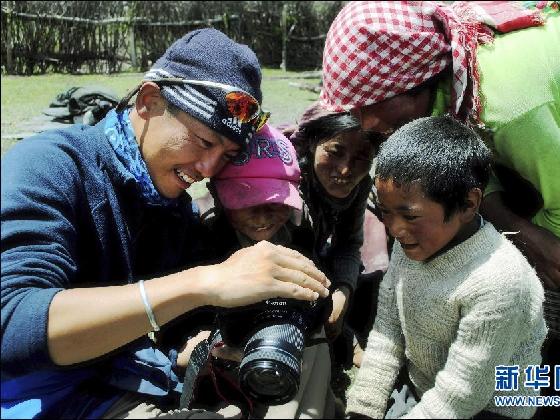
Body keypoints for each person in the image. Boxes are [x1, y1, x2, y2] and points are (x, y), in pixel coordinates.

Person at [0, 29, 330, 419]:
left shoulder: (170, 207)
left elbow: (173, 325)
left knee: (310, 352)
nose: (209, 169)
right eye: (205, 142)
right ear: (149, 101)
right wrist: (203, 283)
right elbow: (12, 325)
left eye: (227, 155)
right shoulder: (50, 166)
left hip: (125, 379)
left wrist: (199, 345)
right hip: (43, 397)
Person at [319, 0, 560, 406]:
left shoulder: (508, 106)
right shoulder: (453, 85)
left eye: (371, 105)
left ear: (416, 81)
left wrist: (526, 248)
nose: (365, 125)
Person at [346, 115, 547, 419]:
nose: (395, 229)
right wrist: (362, 410)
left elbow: (459, 397)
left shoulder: (499, 284)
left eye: (410, 216)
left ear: (468, 204)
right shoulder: (412, 242)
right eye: (385, 212)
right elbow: (388, 331)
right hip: (425, 390)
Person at [182, 123, 336, 418]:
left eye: (276, 201)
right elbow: (183, 330)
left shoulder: (295, 232)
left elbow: (320, 293)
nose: (264, 216)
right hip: (222, 364)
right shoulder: (201, 240)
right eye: (247, 201)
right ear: (216, 193)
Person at [287, 106, 384, 360]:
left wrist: (342, 291)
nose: (345, 170)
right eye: (335, 152)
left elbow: (349, 243)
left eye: (362, 157)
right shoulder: (287, 183)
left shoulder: (359, 185)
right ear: (311, 144)